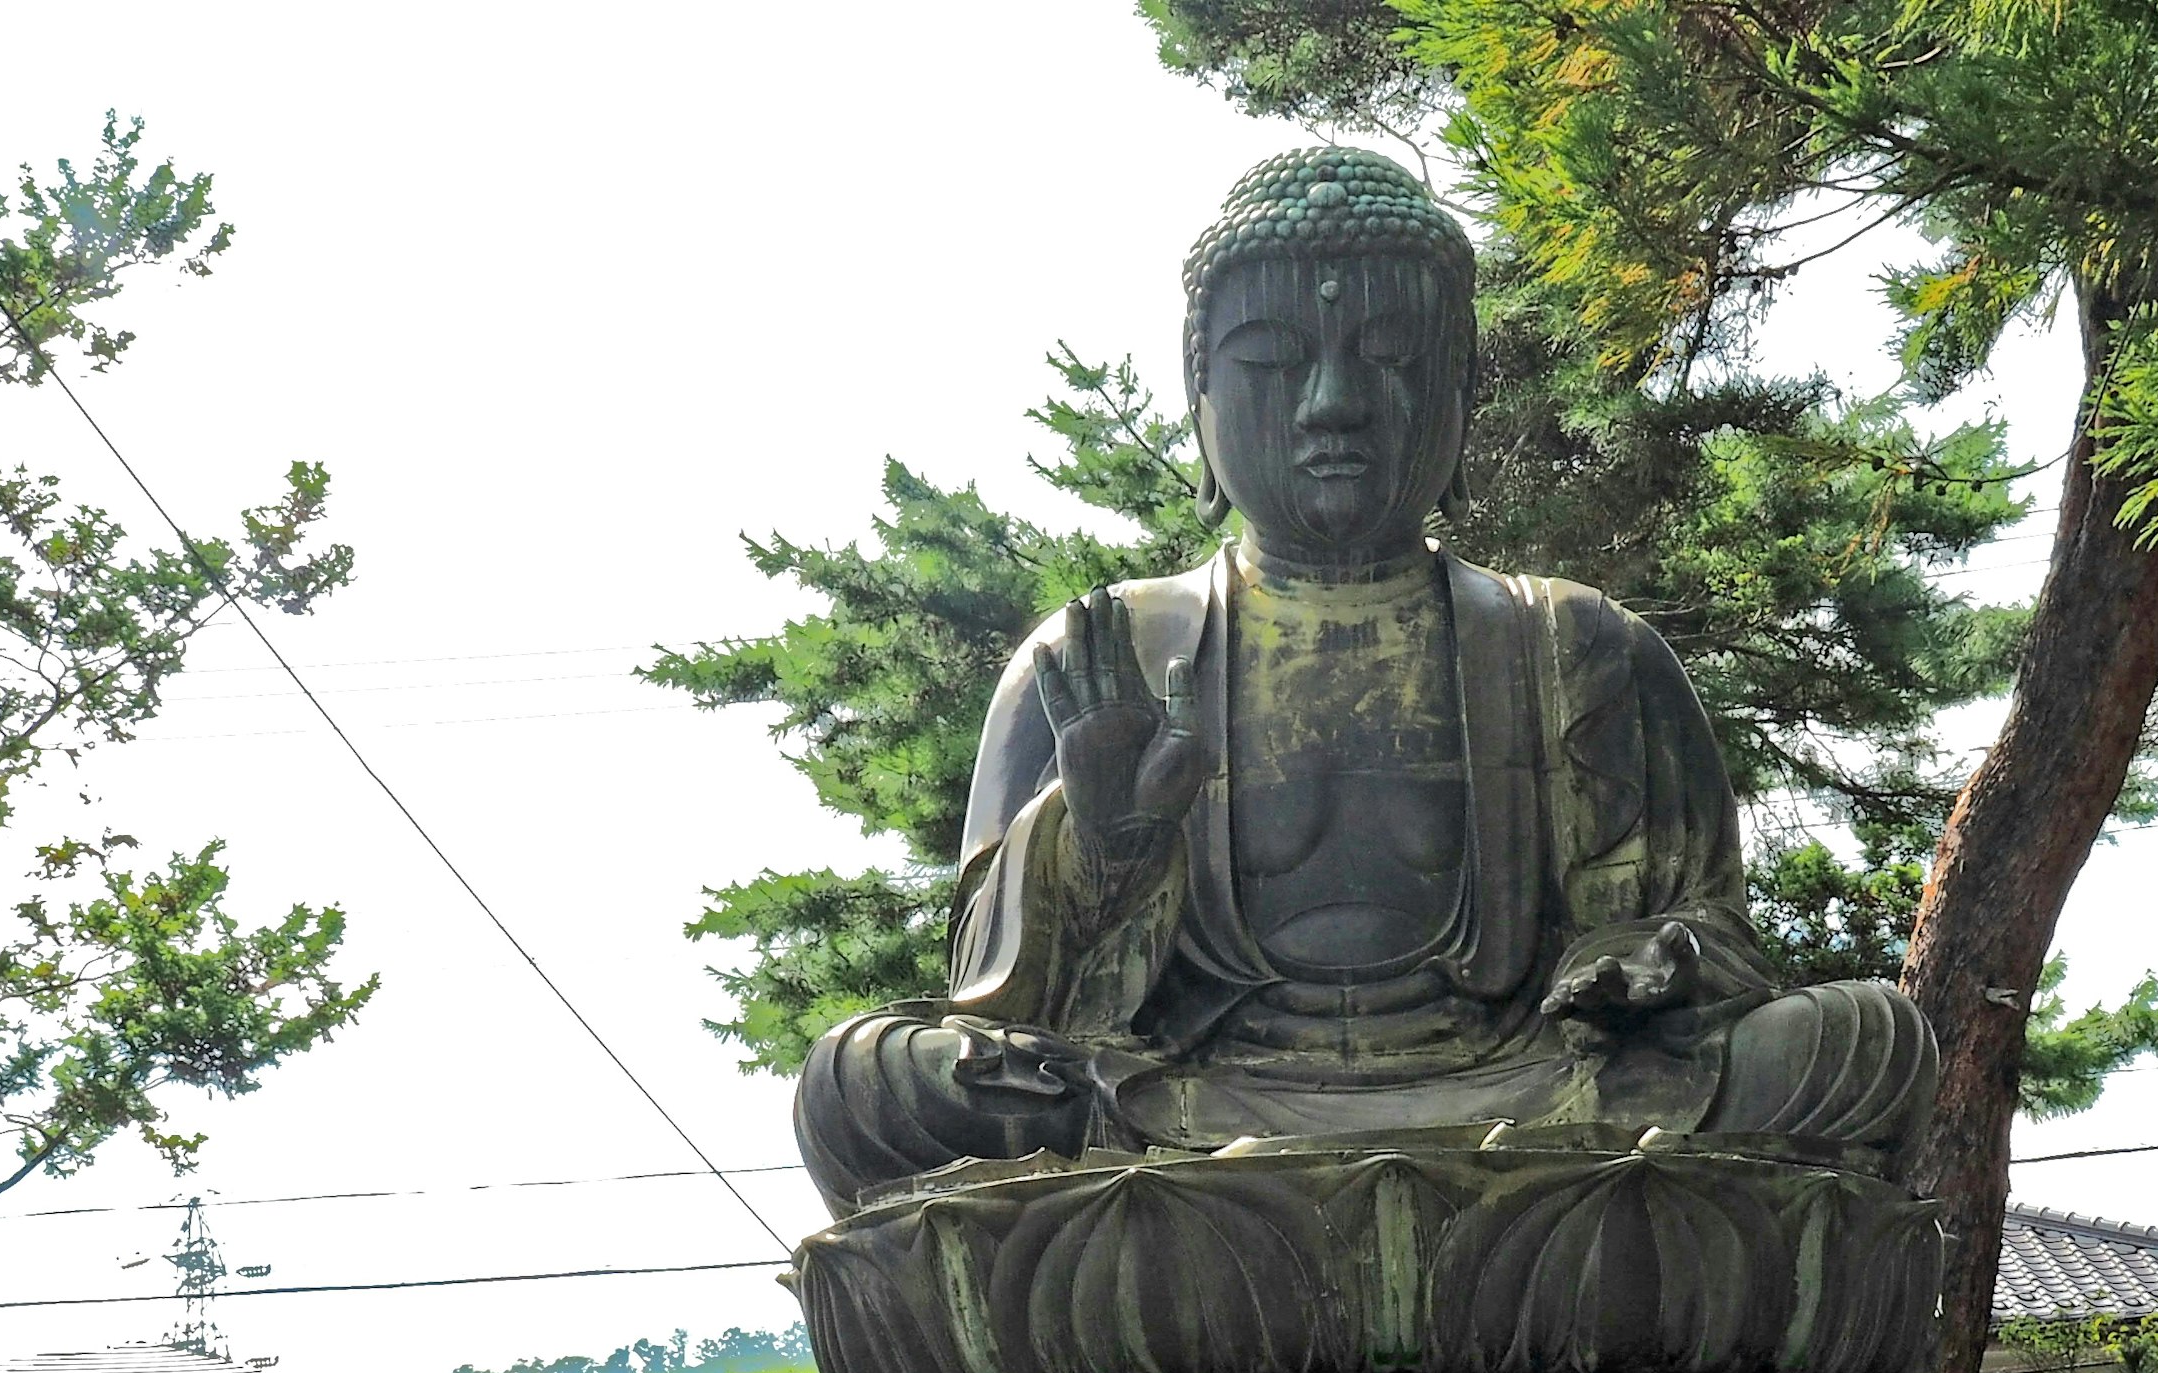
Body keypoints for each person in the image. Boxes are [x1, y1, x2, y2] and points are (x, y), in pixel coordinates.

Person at [792, 147, 1935, 1211]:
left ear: (1460, 389)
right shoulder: (1094, 656)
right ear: (1200, 396)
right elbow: (1003, 1010)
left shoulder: (1581, 647)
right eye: (1273, 362)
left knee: (1862, 1044)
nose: (1331, 401)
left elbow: (1712, 948)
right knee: (865, 1085)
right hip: (1176, 1112)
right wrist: (1102, 842)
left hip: (1533, 1100)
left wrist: (1657, 958)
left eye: (1388, 358)